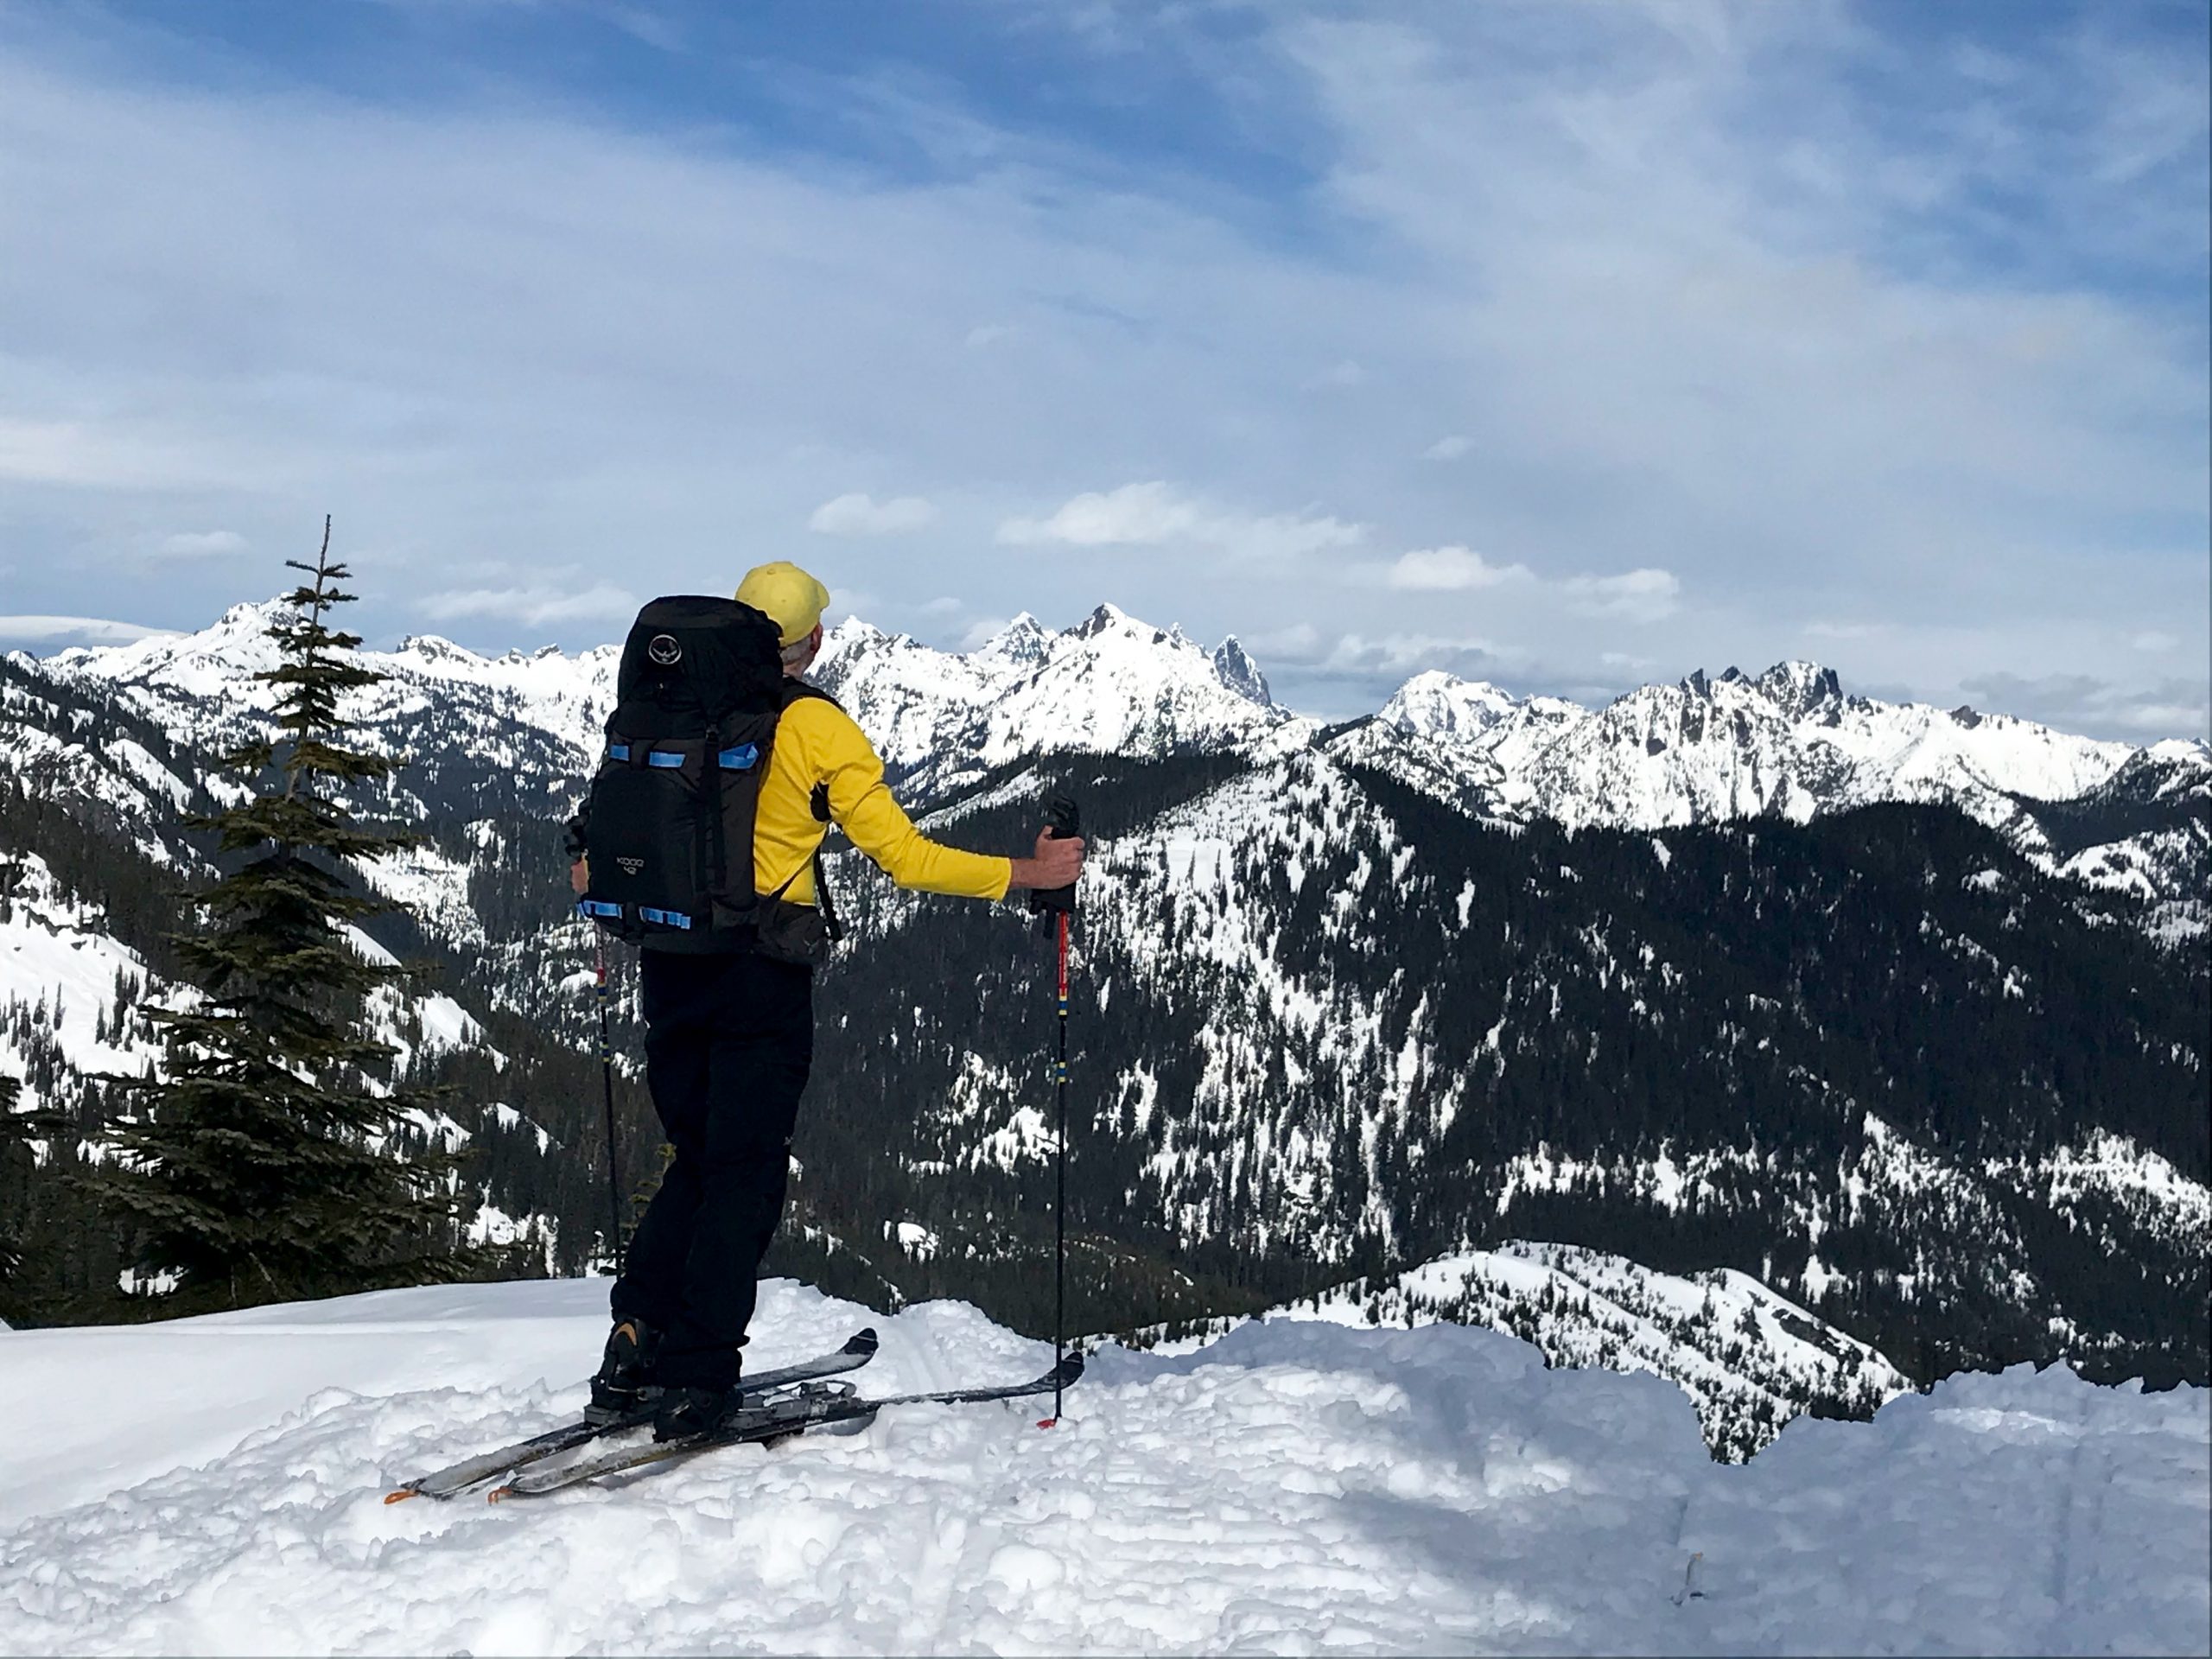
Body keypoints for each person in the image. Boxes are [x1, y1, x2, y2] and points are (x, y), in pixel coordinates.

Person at [568, 560, 1084, 1440]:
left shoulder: (669, 705)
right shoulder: (814, 726)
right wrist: (1029, 875)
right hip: (758, 973)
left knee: (695, 1161)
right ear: (810, 642)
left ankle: (635, 1343)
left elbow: (601, 845)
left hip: (669, 962)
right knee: (744, 1174)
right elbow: (905, 858)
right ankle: (698, 1375)